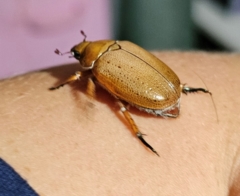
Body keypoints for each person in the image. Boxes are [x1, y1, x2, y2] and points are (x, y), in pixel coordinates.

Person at [0, 52, 239, 195]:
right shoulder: (120, 46)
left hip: (154, 94)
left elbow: (77, 77)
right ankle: (183, 90)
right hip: (165, 86)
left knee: (120, 106)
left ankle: (137, 132)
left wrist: (64, 86)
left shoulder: (98, 69)